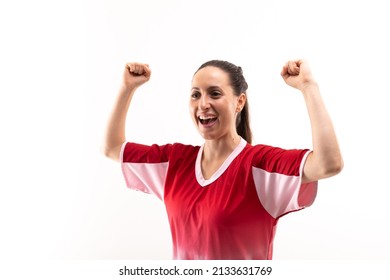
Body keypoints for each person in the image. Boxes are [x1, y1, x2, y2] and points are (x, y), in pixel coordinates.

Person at [102, 59, 343, 260]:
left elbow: (328, 163)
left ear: (239, 101)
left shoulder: (260, 166)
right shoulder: (174, 162)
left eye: (214, 94)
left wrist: (309, 87)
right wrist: (127, 88)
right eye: (195, 95)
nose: (203, 104)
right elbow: (112, 147)